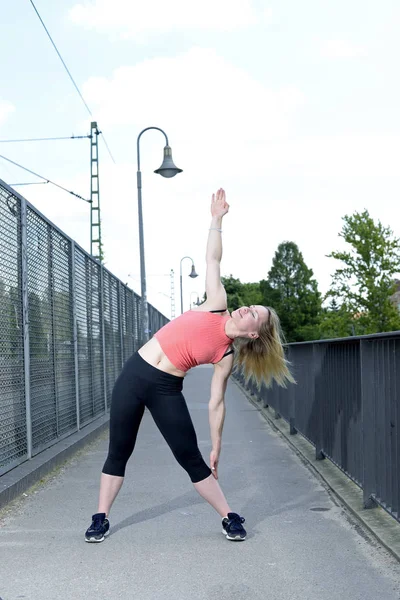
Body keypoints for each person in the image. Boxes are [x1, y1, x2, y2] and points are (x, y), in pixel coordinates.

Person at [85, 188, 294, 544]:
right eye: (251, 306)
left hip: (166, 388)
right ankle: (100, 518)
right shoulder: (217, 303)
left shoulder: (225, 356)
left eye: (255, 314)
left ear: (255, 333)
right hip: (134, 374)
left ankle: (229, 517)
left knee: (191, 458)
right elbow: (213, 261)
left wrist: (217, 444)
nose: (248, 309)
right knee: (119, 450)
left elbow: (216, 402)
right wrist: (216, 220)